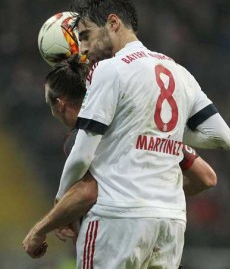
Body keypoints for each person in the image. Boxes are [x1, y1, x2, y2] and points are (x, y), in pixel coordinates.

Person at [24, 0, 230, 268]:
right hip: (170, 223)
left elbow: (82, 156)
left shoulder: (109, 70)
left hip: (117, 220)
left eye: (85, 36)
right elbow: (223, 137)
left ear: (113, 23)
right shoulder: (179, 72)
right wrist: (153, 126)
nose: (83, 49)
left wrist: (61, 204)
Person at [23, 54, 217, 259]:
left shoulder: (83, 138)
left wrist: (40, 229)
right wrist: (150, 194)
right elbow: (206, 177)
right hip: (165, 231)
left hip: (116, 237)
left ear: (60, 104)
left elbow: (87, 192)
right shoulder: (138, 125)